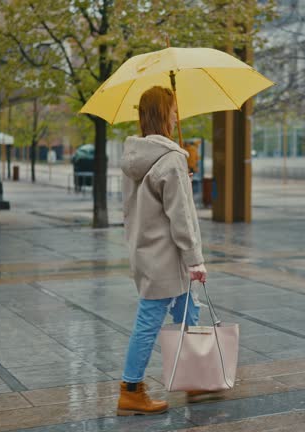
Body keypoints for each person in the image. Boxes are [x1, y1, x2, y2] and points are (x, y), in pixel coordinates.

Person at [117, 86, 208, 416]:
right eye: (172, 109)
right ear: (161, 114)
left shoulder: (136, 157)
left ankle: (194, 376)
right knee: (149, 320)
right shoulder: (170, 159)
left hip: (147, 252)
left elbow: (146, 203)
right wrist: (195, 259)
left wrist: (183, 176)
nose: (176, 115)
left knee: (188, 311)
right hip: (167, 258)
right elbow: (180, 217)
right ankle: (130, 389)